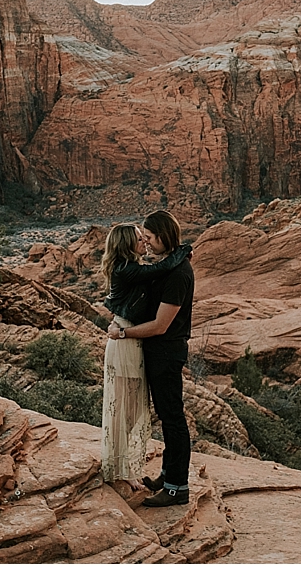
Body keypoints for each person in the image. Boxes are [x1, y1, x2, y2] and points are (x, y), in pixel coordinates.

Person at [108, 210, 194, 507]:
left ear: (163, 237)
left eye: (149, 238)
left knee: (173, 419)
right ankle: (168, 476)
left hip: (167, 352)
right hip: (157, 352)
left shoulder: (178, 274)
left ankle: (176, 488)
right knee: (169, 418)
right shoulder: (167, 267)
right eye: (142, 238)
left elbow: (160, 325)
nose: (145, 243)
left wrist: (122, 334)